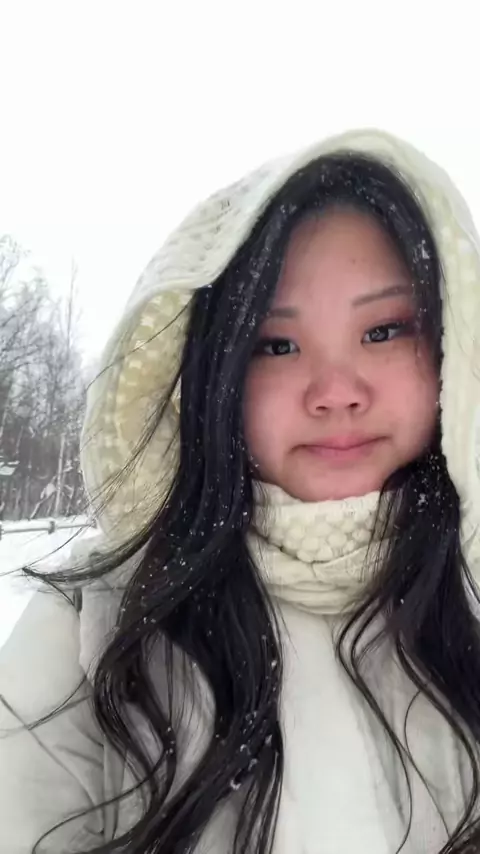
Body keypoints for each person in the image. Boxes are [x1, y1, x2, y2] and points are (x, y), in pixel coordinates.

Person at [1, 128, 480, 854]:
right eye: (278, 345)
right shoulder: (93, 624)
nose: (335, 391)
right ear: (217, 375)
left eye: (383, 330)